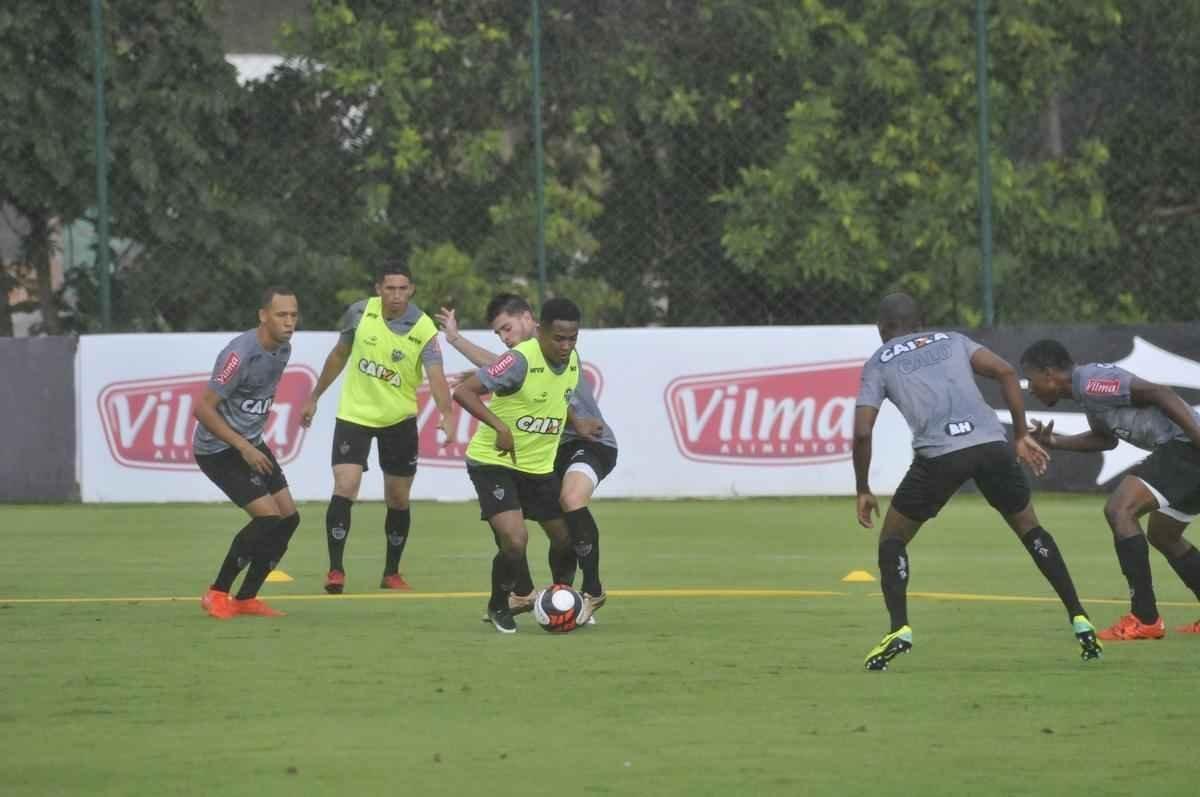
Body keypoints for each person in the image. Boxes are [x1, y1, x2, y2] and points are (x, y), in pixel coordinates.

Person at [853, 293, 1101, 670]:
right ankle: (1079, 617)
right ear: (920, 323)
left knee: (893, 539)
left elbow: (862, 433)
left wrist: (863, 488)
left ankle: (899, 627)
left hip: (939, 457)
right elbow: (1004, 371)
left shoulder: (878, 362)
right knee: (1030, 529)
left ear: (881, 328)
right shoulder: (953, 340)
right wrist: (1020, 434)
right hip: (991, 446)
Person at [437, 293, 615, 616]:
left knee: (570, 504)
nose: (505, 338)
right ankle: (527, 595)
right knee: (512, 530)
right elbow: (505, 369)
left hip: (586, 442)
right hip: (540, 451)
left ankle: (591, 591)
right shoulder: (526, 355)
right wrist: (456, 340)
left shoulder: (556, 349)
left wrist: (579, 422)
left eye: (507, 328)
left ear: (530, 320)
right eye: (499, 334)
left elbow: (510, 370)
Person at [1021, 338, 1200, 639]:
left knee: (1120, 510)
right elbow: (1106, 440)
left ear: (1049, 374)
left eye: (1031, 379)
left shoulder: (1092, 382)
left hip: (1186, 447)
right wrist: (1055, 442)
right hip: (1186, 450)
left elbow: (1160, 392)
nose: (1030, 387)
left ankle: (1145, 618)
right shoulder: (1087, 394)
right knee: (1164, 534)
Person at [300, 260, 455, 594]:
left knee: (398, 497)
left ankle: (392, 572)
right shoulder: (358, 313)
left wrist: (447, 412)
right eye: (390, 288)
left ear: (411, 290)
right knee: (346, 484)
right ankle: (335, 570)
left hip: (399, 421)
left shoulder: (424, 328)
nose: (396, 295)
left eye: (403, 289)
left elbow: (437, 375)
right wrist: (314, 397)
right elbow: (339, 355)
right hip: (354, 416)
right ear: (378, 289)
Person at [195, 286, 303, 619]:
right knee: (267, 516)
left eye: (293, 315)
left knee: (289, 519)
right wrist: (242, 446)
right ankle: (216, 593)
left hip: (251, 442)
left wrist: (250, 442)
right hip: (219, 449)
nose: (289, 322)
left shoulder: (283, 349)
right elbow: (202, 409)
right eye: (281, 315)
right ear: (263, 316)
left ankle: (246, 598)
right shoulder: (238, 356)